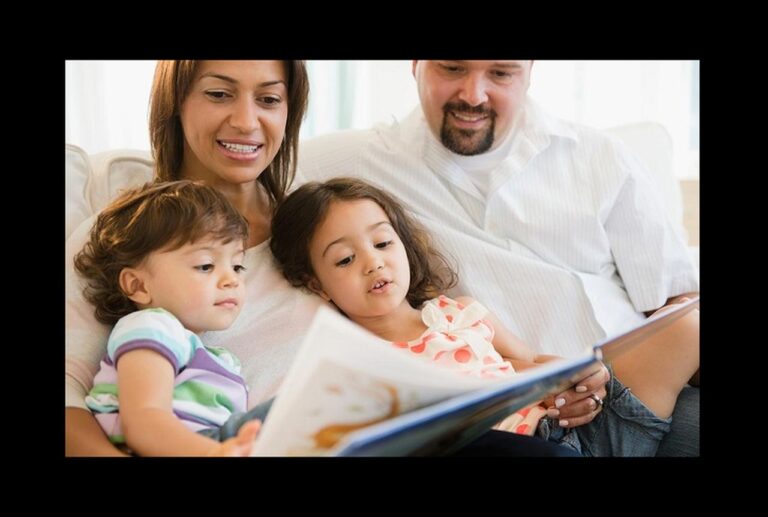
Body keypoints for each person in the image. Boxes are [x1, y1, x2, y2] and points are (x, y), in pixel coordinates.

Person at [66, 60, 576, 457]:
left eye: (269, 99)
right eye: (219, 93)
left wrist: (550, 383)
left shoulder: (321, 230)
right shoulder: (132, 238)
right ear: (176, 101)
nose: (246, 121)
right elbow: (69, 397)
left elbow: (423, 328)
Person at [297, 60, 700, 456]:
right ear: (416, 65)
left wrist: (583, 379)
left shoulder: (601, 156)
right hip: (517, 432)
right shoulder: (351, 162)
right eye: (452, 68)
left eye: (501, 72)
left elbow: (675, 302)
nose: (473, 95)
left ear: (529, 71)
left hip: (623, 393)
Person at [270, 177, 698, 455]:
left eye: (383, 244)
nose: (373, 264)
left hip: (580, 427)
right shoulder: (364, 362)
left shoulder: (460, 313)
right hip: (522, 448)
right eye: (345, 260)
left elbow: (531, 361)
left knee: (686, 326)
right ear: (317, 285)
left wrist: (579, 378)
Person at [76, 180, 266, 456]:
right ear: (138, 286)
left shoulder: (218, 358)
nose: (231, 280)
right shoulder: (152, 326)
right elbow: (143, 422)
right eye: (205, 265)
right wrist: (213, 452)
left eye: (237, 266)